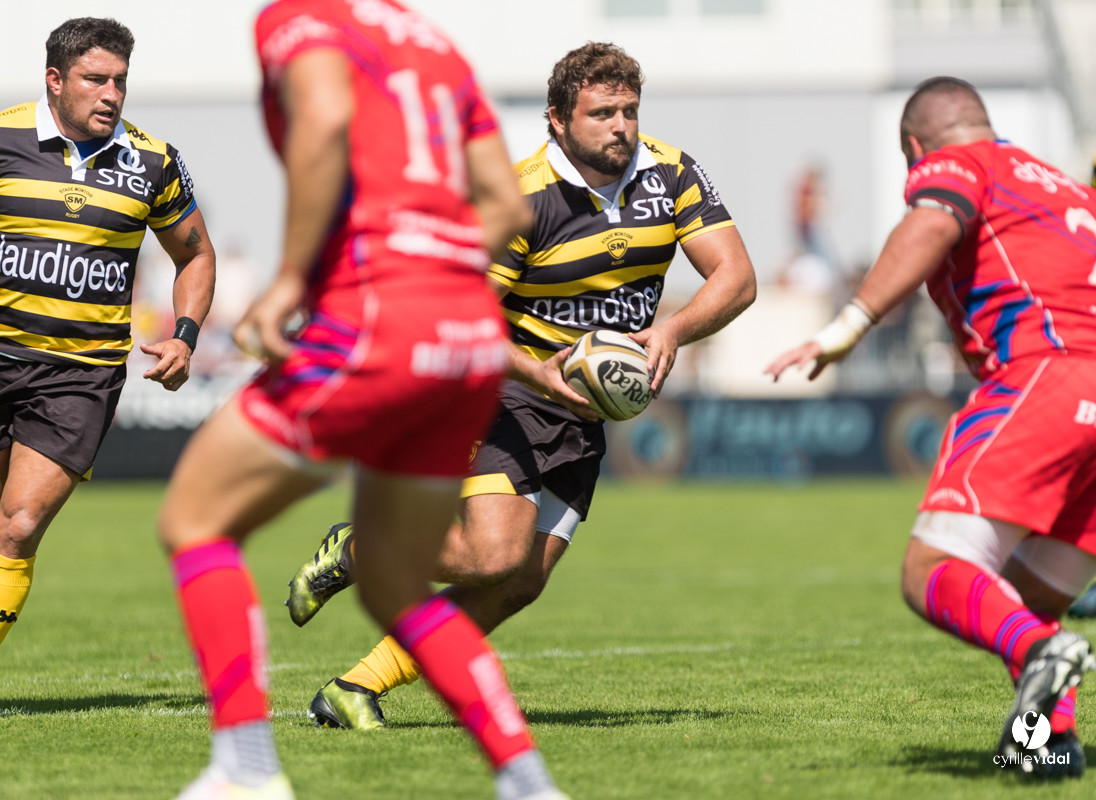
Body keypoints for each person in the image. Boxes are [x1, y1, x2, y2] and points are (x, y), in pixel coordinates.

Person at [157, 2, 568, 798]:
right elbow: (508, 208)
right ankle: (527, 783)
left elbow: (324, 116)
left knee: (195, 518)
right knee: (391, 581)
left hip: (376, 318)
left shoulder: (299, 18)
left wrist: (293, 280)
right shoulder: (435, 43)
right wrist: (439, 271)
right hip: (469, 335)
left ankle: (245, 771)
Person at [285, 41, 757, 731]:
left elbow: (736, 278)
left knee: (521, 580)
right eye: (601, 113)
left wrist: (671, 332)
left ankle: (354, 688)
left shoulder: (671, 172)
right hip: (499, 384)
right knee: (492, 554)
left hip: (581, 407)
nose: (620, 126)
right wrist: (534, 370)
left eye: (628, 110)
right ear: (557, 121)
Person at [765, 76, 1096, 778]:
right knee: (1027, 596)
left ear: (916, 148)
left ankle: (1040, 655)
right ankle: (1046, 740)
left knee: (933, 571)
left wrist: (847, 326)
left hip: (1049, 374)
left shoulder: (964, 164)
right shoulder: (1067, 191)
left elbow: (933, 221)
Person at [0, 17, 215, 724]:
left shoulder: (154, 162)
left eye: (120, 81)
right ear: (55, 81)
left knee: (18, 525)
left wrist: (185, 336)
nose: (111, 94)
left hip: (82, 375)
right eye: (95, 80)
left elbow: (195, 254)